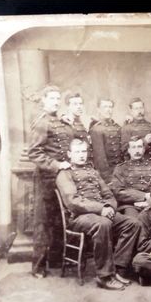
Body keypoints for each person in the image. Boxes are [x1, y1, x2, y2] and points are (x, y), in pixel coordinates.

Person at [55, 139, 140, 289]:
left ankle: (118, 269)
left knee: (133, 224)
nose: (81, 155)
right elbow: (73, 202)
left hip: (102, 212)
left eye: (84, 151)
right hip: (80, 217)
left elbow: (108, 194)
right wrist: (101, 209)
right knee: (104, 223)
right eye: (77, 152)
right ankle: (104, 276)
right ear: (69, 154)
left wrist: (109, 207)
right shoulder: (64, 174)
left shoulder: (93, 172)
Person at [28, 85, 73, 278]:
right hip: (46, 178)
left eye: (57, 99)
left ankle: (56, 260)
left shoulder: (60, 120)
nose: (55, 102)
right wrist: (56, 164)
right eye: (52, 99)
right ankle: (38, 266)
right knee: (43, 222)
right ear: (43, 100)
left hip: (62, 178)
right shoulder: (41, 122)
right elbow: (34, 152)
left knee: (60, 220)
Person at [110, 136, 151, 218]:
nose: (137, 150)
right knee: (134, 221)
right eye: (133, 147)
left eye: (139, 147)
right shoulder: (120, 169)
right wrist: (144, 196)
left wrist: (150, 202)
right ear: (129, 150)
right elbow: (118, 192)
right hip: (130, 206)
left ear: (144, 149)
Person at [89, 98, 122, 183]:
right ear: (98, 109)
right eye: (105, 107)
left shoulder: (117, 127)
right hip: (108, 175)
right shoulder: (96, 129)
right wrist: (108, 179)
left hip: (120, 172)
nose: (108, 110)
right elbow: (100, 159)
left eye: (110, 107)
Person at [61, 91, 93, 161]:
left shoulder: (82, 123)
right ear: (68, 107)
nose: (79, 107)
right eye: (75, 104)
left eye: (80, 104)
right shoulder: (64, 124)